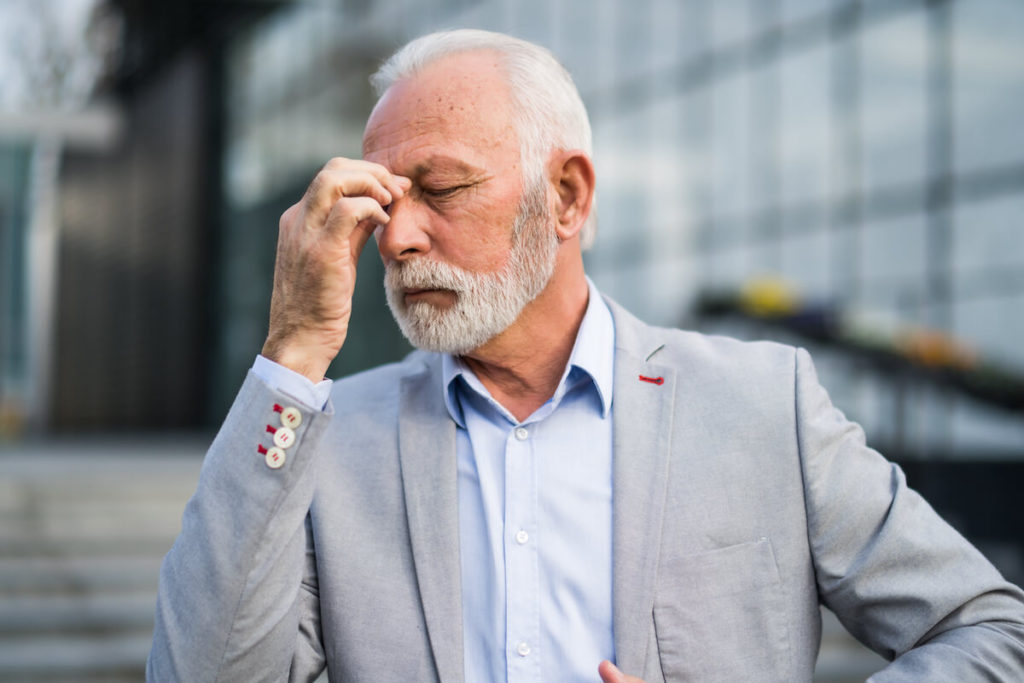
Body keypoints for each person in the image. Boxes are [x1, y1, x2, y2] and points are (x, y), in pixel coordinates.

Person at [148, 29, 1024, 682]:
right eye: (385, 204)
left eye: (441, 190)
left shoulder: (765, 405)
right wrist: (292, 351)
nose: (398, 237)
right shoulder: (325, 440)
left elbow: (989, 630)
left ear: (566, 196)